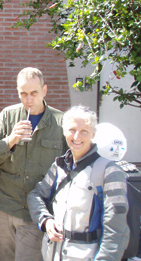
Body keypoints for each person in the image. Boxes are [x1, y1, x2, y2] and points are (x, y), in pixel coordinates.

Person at [0, 67, 67, 261]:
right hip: (3, 206)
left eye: (34, 93)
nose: (29, 99)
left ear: (44, 91)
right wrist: (10, 140)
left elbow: (69, 170)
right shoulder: (7, 116)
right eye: (23, 93)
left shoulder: (60, 122)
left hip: (35, 211)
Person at [27, 106, 129, 260]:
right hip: (53, 254)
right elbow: (36, 195)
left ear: (93, 134)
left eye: (84, 131)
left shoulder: (110, 171)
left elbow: (116, 229)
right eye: (72, 130)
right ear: (64, 131)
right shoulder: (59, 166)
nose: (76, 136)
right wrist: (46, 220)